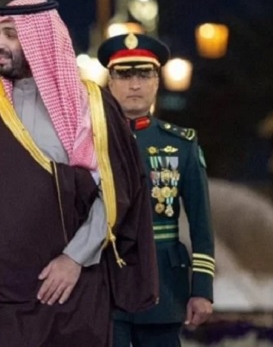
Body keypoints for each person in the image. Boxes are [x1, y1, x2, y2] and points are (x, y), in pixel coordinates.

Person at [0, 0, 158, 347]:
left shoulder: (91, 106)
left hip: (66, 292)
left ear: (41, 41)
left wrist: (74, 258)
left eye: (11, 35)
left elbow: (116, 190)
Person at [98, 33, 214, 347]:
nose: (135, 85)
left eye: (144, 75)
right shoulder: (91, 141)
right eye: (125, 75)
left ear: (157, 82)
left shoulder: (181, 144)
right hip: (106, 282)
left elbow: (202, 223)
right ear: (110, 83)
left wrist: (202, 289)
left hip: (164, 287)